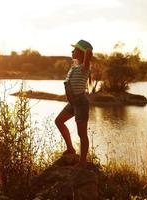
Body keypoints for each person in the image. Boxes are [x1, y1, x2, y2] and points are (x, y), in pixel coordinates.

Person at [55, 39, 93, 167]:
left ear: (82, 53)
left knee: (81, 134)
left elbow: (88, 54)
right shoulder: (74, 67)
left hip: (81, 103)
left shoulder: (84, 67)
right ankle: (70, 148)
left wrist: (86, 50)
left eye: (75, 49)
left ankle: (83, 162)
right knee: (59, 121)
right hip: (73, 103)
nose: (72, 51)